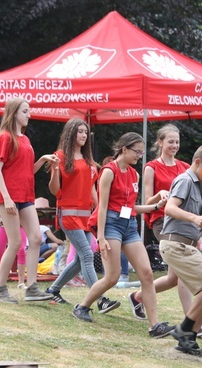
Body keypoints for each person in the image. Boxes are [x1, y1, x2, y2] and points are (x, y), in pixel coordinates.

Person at [74, 132, 174, 338]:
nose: (140, 156)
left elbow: (131, 207)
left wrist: (155, 206)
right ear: (124, 149)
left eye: (142, 152)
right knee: (112, 276)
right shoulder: (109, 172)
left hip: (128, 225)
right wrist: (101, 237)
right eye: (137, 152)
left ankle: (154, 326)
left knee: (146, 273)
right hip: (110, 224)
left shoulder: (134, 174)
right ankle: (82, 306)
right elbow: (102, 206)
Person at [129, 125, 202, 331]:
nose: (174, 145)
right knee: (183, 270)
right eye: (170, 142)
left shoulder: (184, 166)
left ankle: (138, 296)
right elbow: (146, 200)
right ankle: (191, 322)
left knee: (173, 278)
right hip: (161, 221)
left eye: (177, 142)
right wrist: (160, 195)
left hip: (183, 223)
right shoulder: (151, 167)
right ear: (160, 143)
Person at [44, 118, 119, 313]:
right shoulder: (59, 157)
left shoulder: (89, 162)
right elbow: (54, 190)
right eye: (79, 132)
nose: (84, 135)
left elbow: (93, 191)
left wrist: (100, 210)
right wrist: (54, 170)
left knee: (80, 260)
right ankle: (101, 298)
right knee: (86, 255)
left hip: (86, 217)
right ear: (71, 134)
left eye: (85, 132)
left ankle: (53, 290)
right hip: (68, 215)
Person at [159, 144, 202, 356]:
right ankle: (185, 330)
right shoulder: (185, 180)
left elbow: (187, 224)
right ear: (198, 162)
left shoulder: (195, 185)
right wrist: (196, 218)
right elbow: (169, 208)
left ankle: (188, 337)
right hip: (176, 246)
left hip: (185, 245)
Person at [0, 98, 56, 303]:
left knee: (35, 238)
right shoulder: (5, 137)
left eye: (29, 111)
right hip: (9, 197)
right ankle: (0, 288)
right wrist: (7, 198)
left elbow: (27, 171)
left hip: (26, 195)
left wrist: (43, 160)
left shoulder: (24, 139)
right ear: (14, 113)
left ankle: (32, 287)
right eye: (25, 111)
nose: (29, 114)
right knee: (16, 241)